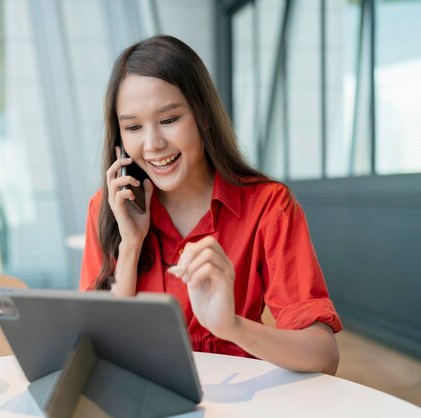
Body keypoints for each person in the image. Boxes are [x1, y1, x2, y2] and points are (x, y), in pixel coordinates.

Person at [79, 35, 342, 375]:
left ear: (203, 114)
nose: (152, 144)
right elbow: (94, 352)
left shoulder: (268, 206)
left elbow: (324, 356)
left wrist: (231, 325)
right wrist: (129, 249)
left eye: (169, 119)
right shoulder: (106, 207)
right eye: (133, 127)